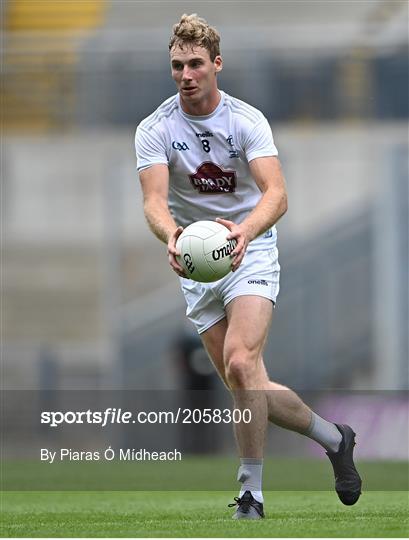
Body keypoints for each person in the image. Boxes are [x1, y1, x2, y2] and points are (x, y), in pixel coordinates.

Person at [135, 13, 362, 519]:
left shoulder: (245, 120)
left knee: (241, 363)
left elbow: (276, 194)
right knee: (246, 383)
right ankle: (334, 437)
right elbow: (152, 201)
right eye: (177, 66)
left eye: (195, 64)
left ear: (216, 64)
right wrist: (171, 235)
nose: (185, 74)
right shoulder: (155, 128)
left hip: (250, 247)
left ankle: (250, 495)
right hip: (197, 262)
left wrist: (246, 232)